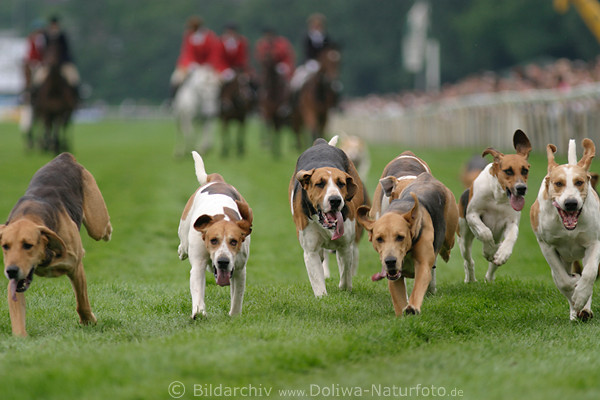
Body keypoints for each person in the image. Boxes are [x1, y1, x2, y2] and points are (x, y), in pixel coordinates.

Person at [170, 16, 223, 97]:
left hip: (207, 66)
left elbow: (214, 52)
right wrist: (190, 63)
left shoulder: (209, 36)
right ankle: (172, 101)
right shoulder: (188, 36)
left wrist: (209, 65)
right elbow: (187, 52)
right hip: (192, 65)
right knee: (176, 78)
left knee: (218, 81)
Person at [33, 15, 80, 91]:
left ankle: (77, 97)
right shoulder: (46, 36)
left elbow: (66, 50)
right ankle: (34, 97)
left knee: (73, 78)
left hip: (63, 63)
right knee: (37, 79)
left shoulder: (62, 36)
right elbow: (43, 50)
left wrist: (61, 60)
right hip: (48, 64)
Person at [291, 13, 332, 91]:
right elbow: (306, 51)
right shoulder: (307, 37)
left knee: (334, 84)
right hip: (310, 61)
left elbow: (327, 51)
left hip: (323, 63)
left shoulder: (326, 38)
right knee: (297, 81)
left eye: (319, 24)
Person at [22, 19, 45, 98]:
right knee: (28, 72)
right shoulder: (31, 38)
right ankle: (28, 91)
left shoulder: (45, 38)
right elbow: (30, 52)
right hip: (34, 61)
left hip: (43, 62)